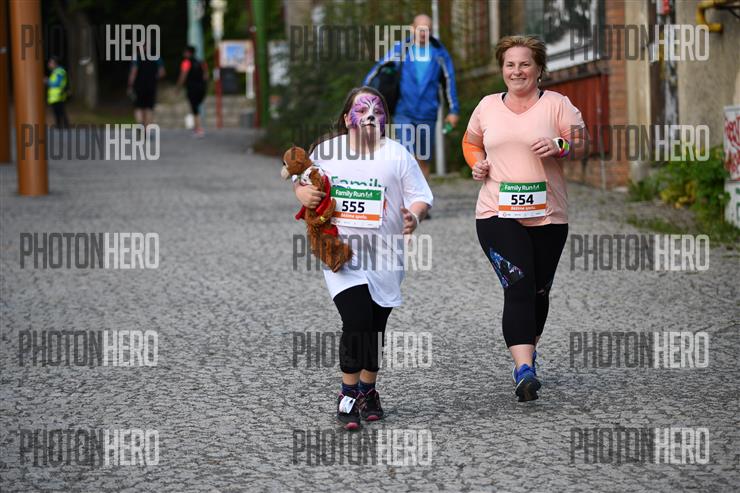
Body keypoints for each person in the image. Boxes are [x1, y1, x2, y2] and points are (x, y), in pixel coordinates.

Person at [293, 86, 432, 430]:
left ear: (385, 119)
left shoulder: (397, 154)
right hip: (342, 255)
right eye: (362, 110)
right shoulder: (327, 152)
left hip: (385, 256)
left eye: (377, 111)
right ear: (346, 119)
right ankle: (348, 393)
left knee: (375, 326)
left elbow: (420, 196)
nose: (370, 116)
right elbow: (302, 178)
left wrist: (414, 216)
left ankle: (369, 390)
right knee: (356, 320)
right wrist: (302, 192)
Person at [462, 35, 587, 402]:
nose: (517, 71)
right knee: (518, 284)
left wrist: (560, 145)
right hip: (496, 213)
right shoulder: (487, 106)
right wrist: (477, 163)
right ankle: (524, 369)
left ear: (539, 69)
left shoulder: (557, 105)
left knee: (538, 290)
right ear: (503, 69)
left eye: (524, 64)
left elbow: (582, 142)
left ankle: (528, 354)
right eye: (510, 64)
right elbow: (471, 142)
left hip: (549, 214)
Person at [364, 14, 459, 177]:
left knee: (423, 158)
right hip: (404, 111)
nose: (423, 33)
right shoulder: (401, 49)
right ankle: (407, 193)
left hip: (428, 112)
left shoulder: (440, 54)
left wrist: (454, 110)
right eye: (420, 28)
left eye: (427, 29)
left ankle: (422, 192)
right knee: (406, 155)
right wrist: (364, 95)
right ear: (412, 29)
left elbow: (449, 81)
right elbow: (378, 69)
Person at [127, 50, 165, 129]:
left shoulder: (137, 57)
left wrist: (130, 85)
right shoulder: (156, 57)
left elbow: (133, 72)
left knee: (138, 107)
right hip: (151, 86)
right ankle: (146, 128)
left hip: (139, 86)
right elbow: (162, 73)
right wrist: (153, 78)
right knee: (149, 108)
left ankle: (140, 123)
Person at [177, 46, 209, 138]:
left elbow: (183, 75)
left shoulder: (186, 62)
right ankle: (197, 128)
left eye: (185, 52)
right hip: (202, 88)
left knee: (194, 109)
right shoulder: (201, 62)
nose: (184, 54)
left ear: (188, 53)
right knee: (196, 107)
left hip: (192, 88)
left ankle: (198, 129)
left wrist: (178, 87)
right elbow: (206, 76)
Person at [46, 57, 69, 128]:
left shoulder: (59, 71)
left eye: (51, 63)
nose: (49, 64)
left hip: (58, 95)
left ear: (55, 63)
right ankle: (60, 125)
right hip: (55, 96)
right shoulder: (55, 72)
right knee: (58, 111)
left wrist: (48, 81)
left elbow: (57, 83)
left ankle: (64, 125)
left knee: (60, 111)